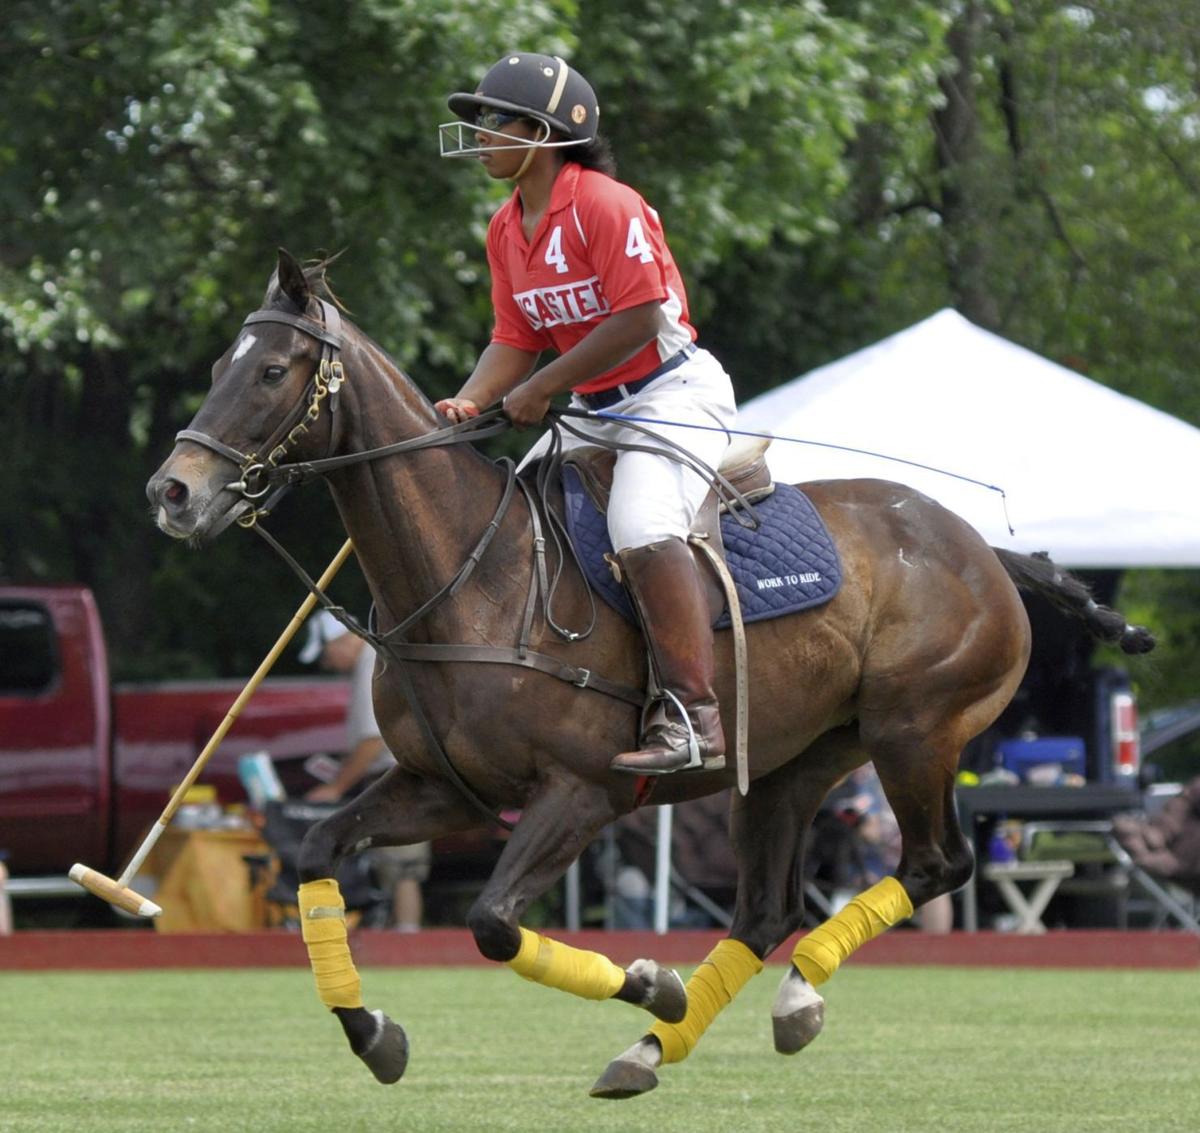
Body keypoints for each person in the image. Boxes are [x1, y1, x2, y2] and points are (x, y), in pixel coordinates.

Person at [436, 52, 738, 777]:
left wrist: (548, 387)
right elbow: (516, 338)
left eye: (492, 121)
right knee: (508, 516)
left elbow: (639, 317)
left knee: (640, 527)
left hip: (671, 393)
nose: (479, 134)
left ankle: (694, 717)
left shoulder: (605, 202)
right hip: (594, 408)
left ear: (542, 132)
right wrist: (472, 398)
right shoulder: (506, 228)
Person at [299, 611, 431, 932]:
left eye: (326, 655)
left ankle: (407, 939)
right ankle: (401, 932)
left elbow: (372, 740)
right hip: (399, 772)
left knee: (402, 864)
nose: (327, 665)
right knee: (393, 862)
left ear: (340, 640)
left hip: (398, 775)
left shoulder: (371, 661)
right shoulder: (374, 658)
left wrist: (336, 786)